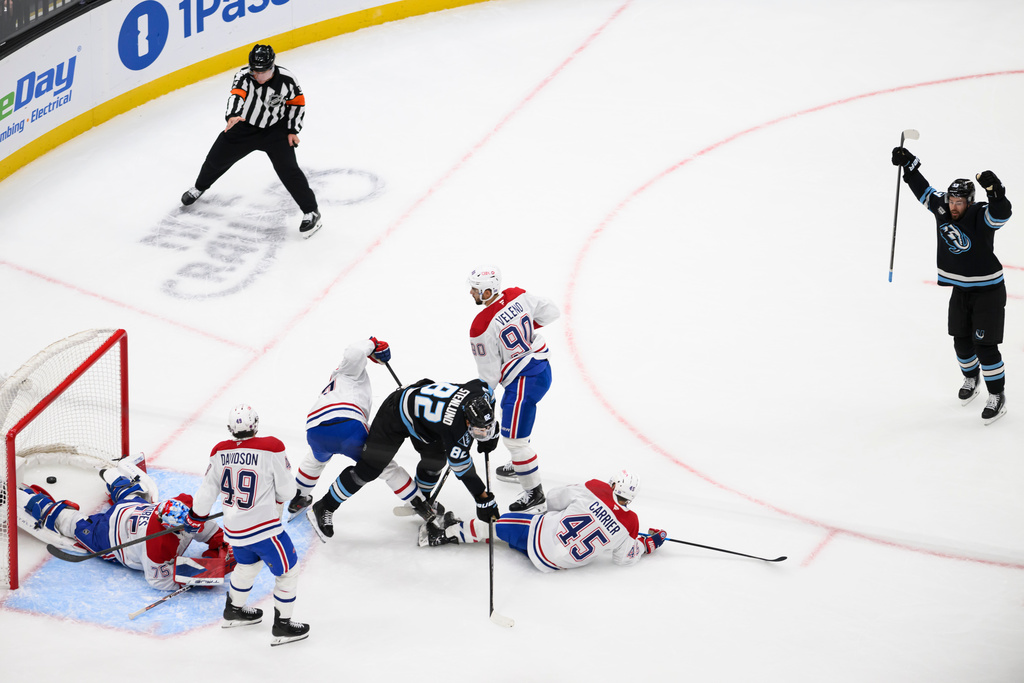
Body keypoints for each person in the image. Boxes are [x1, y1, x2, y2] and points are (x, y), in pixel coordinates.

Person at [892, 146, 1012, 423]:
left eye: (960, 202)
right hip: (961, 290)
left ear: (971, 201)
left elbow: (1002, 213)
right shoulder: (942, 206)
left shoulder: (982, 214)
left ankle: (997, 395)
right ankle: (971, 379)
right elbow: (923, 189)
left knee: (985, 347)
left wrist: (996, 192)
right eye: (952, 201)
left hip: (988, 291)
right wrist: (909, 165)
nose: (954, 206)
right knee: (961, 342)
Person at [306, 379, 500, 541]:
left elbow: (490, 398)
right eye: (478, 430)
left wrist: (491, 435)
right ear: (466, 419)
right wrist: (483, 500)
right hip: (396, 414)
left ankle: (423, 501)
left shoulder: (481, 390)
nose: (482, 434)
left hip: (427, 422)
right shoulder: (454, 428)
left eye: (486, 429)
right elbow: (465, 471)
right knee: (369, 469)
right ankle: (325, 505)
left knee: (435, 462)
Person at [183, 403, 309, 646]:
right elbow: (287, 491)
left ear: (230, 428)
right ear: (256, 424)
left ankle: (234, 611)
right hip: (265, 530)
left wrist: (196, 517)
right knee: (288, 572)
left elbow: (208, 490)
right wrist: (277, 498)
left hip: (235, 531)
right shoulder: (272, 447)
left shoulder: (219, 451)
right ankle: (282, 627)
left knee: (246, 566)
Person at [180, 44, 322, 238]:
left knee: (289, 171)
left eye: (262, 71)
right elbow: (236, 95)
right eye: (255, 70)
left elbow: (296, 104)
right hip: (243, 127)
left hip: (275, 131)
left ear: (272, 67)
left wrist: (291, 129)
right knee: (216, 159)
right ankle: (199, 188)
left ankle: (311, 211)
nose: (257, 75)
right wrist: (232, 115)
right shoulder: (244, 75)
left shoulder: (287, 80)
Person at [286, 337, 433, 518]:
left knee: (315, 460)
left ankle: (298, 497)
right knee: (384, 466)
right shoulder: (348, 371)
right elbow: (354, 352)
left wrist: (371, 352)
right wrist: (372, 342)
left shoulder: (339, 381)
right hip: (348, 427)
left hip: (316, 431)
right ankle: (421, 504)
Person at [420, 470, 667, 572]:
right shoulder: (631, 524)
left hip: (540, 539)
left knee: (499, 523)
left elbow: (554, 499)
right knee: (515, 537)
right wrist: (645, 544)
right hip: (559, 565)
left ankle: (445, 533)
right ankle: (474, 534)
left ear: (614, 484)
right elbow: (623, 557)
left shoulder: (596, 488)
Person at [17, 473, 230, 590]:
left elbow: (200, 523)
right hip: (109, 535)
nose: (192, 524)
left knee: (132, 498)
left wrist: (219, 541)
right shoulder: (158, 547)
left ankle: (117, 481)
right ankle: (33, 502)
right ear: (170, 528)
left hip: (130, 510)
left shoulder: (183, 506)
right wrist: (206, 572)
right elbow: (159, 580)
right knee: (75, 525)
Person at [467, 265, 561, 513]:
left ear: (488, 291)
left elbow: (489, 375)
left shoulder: (481, 326)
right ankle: (519, 464)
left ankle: (534, 494)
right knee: (519, 430)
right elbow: (552, 311)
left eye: (476, 290)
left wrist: (483, 403)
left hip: (522, 383)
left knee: (514, 441)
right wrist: (525, 326)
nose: (471, 293)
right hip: (542, 368)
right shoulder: (517, 295)